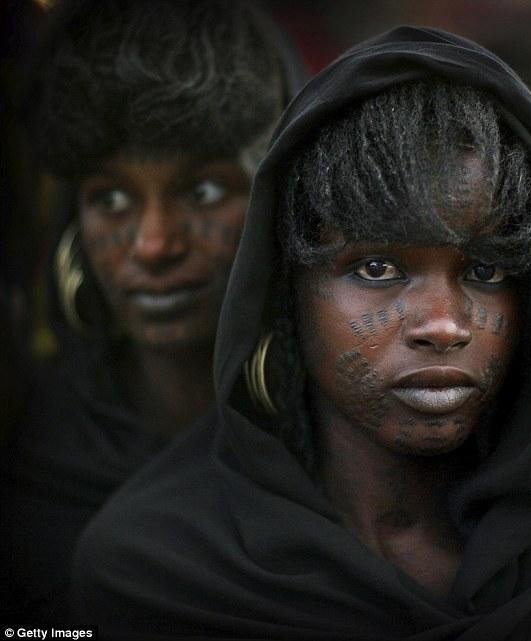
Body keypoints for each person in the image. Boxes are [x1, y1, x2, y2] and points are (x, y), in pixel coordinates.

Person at [69, 27, 531, 640]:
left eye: (486, 270)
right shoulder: (153, 574)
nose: (442, 324)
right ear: (286, 293)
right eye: (377, 268)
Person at [0, 0, 303, 621]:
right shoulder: (32, 453)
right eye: (111, 198)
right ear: (72, 227)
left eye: (205, 190)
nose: (154, 244)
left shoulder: (355, 433)